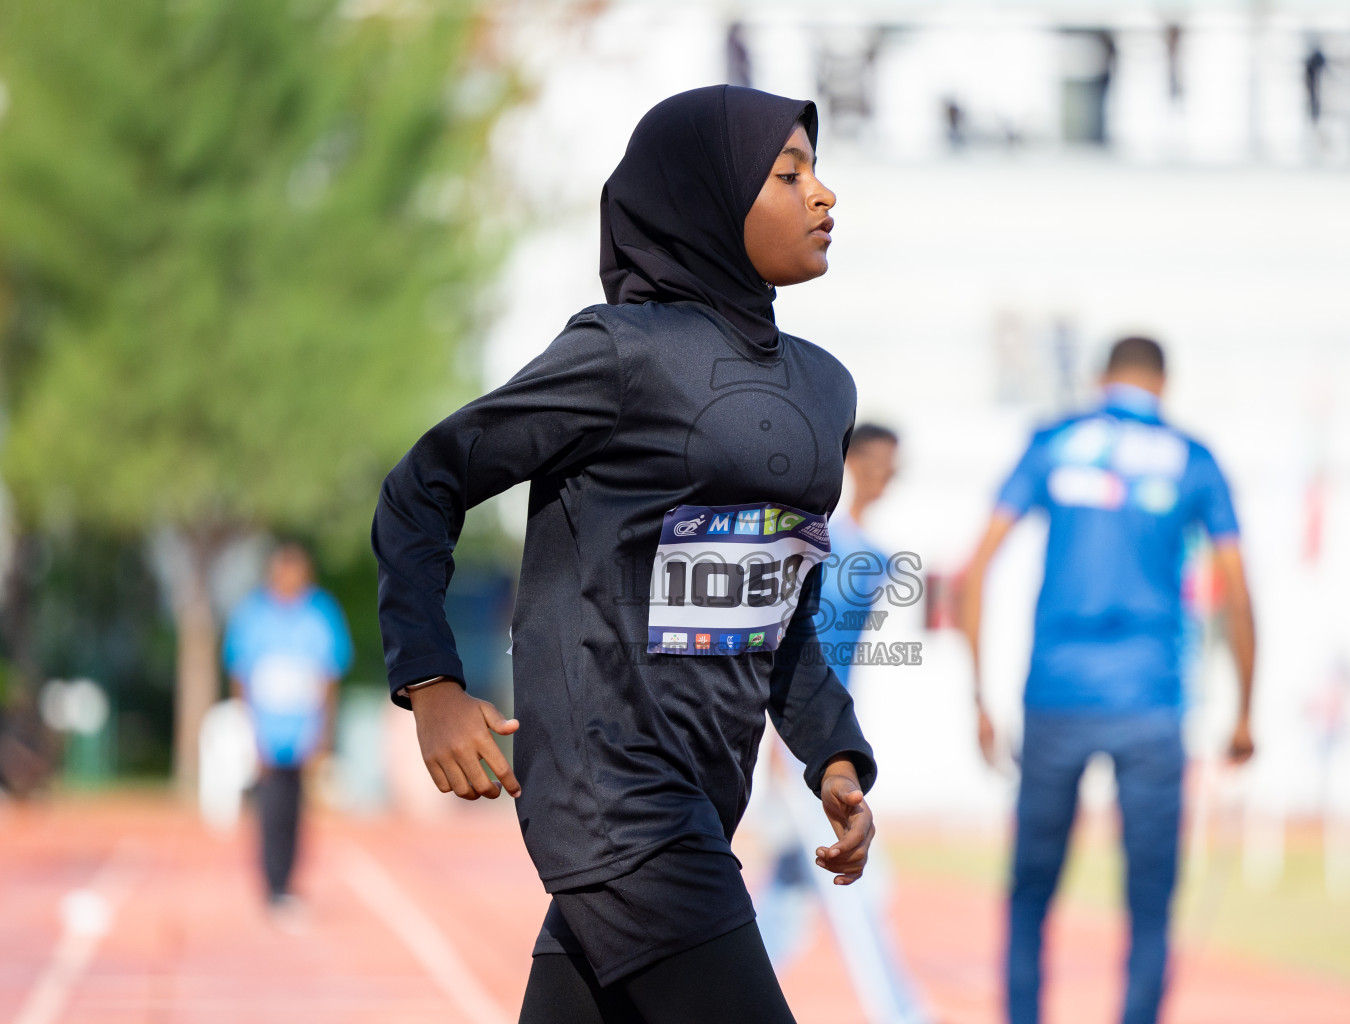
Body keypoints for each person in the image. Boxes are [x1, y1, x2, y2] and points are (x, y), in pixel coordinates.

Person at [372, 86, 878, 1024]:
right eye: (789, 173)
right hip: (615, 794)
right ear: (707, 199)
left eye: (816, 170)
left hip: (703, 795)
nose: (823, 195)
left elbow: (786, 602)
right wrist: (431, 684)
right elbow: (422, 486)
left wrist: (833, 756)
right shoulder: (618, 356)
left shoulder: (825, 388)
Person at [959, 336, 1256, 1024]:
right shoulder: (1194, 457)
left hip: (1056, 694)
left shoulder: (1055, 441)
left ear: (1100, 380)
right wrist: (1245, 710)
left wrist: (978, 698)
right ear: (1164, 384)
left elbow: (976, 566)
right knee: (1150, 898)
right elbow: (1236, 588)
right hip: (1152, 700)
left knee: (1032, 890)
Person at [756, 423, 931, 1024]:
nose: (886, 476)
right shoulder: (816, 544)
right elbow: (795, 648)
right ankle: (903, 1014)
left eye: (893, 465)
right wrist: (788, 743)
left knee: (785, 899)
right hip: (806, 749)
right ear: (851, 461)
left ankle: (726, 997)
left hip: (826, 746)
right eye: (878, 461)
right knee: (862, 892)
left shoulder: (873, 556)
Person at [223, 542, 352, 914]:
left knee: (296, 810)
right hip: (266, 731)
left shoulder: (320, 613)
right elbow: (240, 674)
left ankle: (287, 882)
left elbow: (329, 677)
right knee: (269, 807)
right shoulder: (252, 614)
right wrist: (246, 729)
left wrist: (323, 735)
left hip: (303, 732)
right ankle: (272, 883)